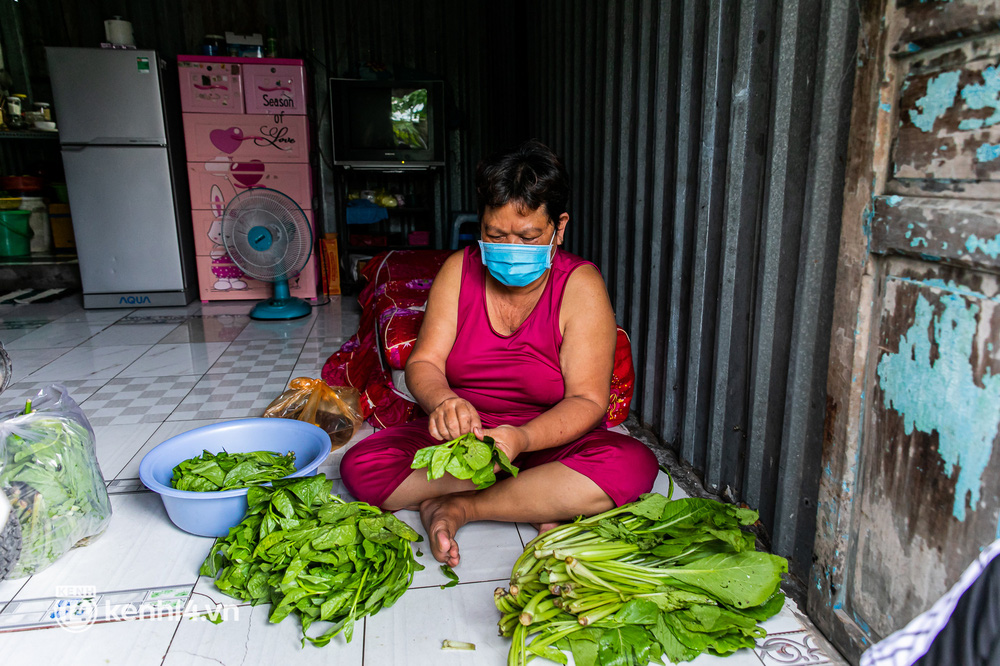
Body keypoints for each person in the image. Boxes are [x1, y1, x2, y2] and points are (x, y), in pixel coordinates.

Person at [339, 139, 658, 567]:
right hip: (461, 444)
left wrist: (520, 439)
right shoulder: (459, 269)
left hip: (546, 440)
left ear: (559, 228)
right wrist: (444, 402)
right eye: (494, 234)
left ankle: (460, 506)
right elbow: (425, 362)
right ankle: (540, 499)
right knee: (362, 466)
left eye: (527, 236)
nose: (510, 247)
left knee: (632, 464)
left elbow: (588, 401)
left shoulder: (579, 286)